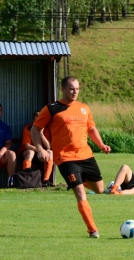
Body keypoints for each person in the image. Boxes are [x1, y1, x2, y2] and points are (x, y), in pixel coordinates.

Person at [31, 76, 111, 238]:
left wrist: (101, 145)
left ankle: (78, 181)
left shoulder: (84, 108)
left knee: (99, 189)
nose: (75, 92)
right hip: (65, 158)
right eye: (71, 89)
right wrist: (40, 149)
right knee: (80, 192)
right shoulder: (51, 109)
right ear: (63, 89)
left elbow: (92, 129)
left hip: (86, 155)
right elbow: (35, 129)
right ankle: (92, 230)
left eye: (77, 89)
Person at [19, 111, 54, 187]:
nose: (39, 123)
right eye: (36, 121)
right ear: (33, 121)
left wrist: (41, 134)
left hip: (41, 155)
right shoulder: (28, 128)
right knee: (30, 152)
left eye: (40, 121)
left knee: (50, 152)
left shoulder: (47, 129)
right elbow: (27, 146)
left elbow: (49, 146)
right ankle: (27, 174)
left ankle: (46, 180)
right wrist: (41, 150)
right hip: (28, 153)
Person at [0, 104, 16, 187]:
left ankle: (10, 181)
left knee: (12, 154)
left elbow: (9, 143)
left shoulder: (5, 127)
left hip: (1, 155)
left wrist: (1, 152)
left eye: (0, 110)